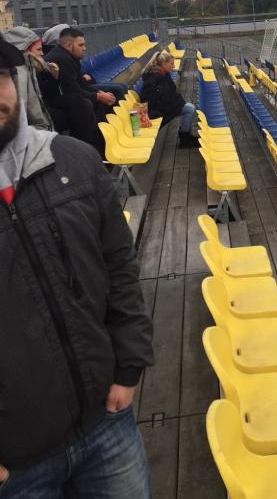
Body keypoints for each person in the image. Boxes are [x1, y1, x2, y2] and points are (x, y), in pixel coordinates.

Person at [0, 34, 153, 498]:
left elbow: (119, 267)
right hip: (17, 459)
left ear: (15, 82)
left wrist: (128, 367)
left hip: (106, 422)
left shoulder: (75, 161)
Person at [41, 28, 115, 152]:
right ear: (69, 46)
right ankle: (94, 149)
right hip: (50, 103)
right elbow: (72, 90)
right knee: (85, 103)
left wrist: (99, 94)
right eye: (81, 45)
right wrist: (98, 97)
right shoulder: (62, 59)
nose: (84, 48)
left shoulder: (67, 57)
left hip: (64, 98)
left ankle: (106, 141)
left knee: (98, 98)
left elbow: (80, 84)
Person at [3, 26, 57, 131]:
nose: (42, 53)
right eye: (38, 49)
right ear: (25, 51)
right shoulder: (20, 72)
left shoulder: (32, 68)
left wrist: (49, 74)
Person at [139, 50, 196, 147]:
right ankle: (184, 140)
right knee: (189, 109)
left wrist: (179, 103)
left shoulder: (164, 75)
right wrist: (177, 106)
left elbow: (171, 94)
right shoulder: (153, 80)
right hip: (155, 110)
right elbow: (155, 103)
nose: (174, 66)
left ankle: (185, 137)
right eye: (171, 63)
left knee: (189, 107)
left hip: (163, 107)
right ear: (164, 64)